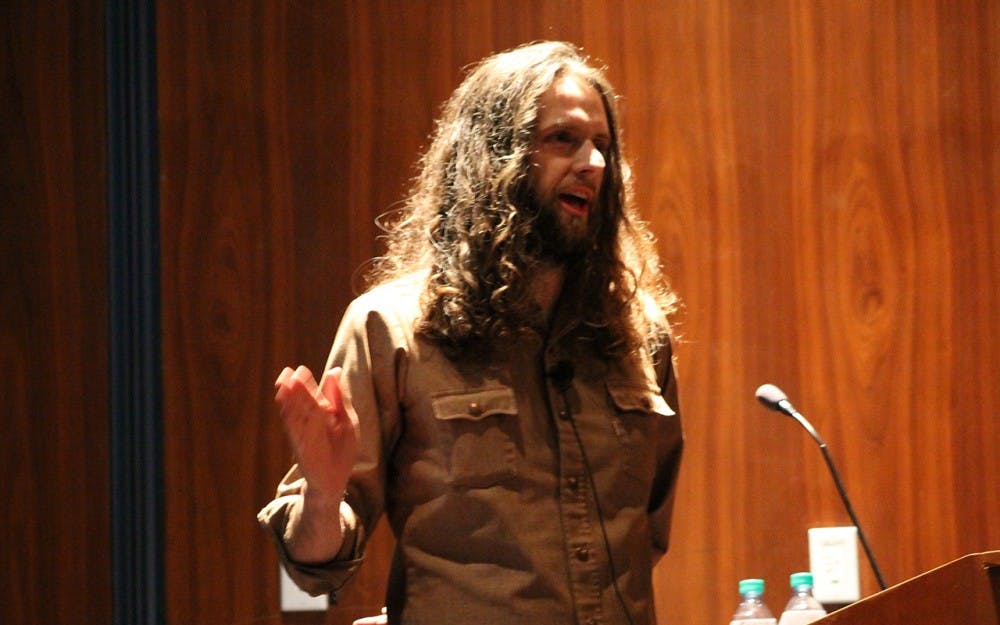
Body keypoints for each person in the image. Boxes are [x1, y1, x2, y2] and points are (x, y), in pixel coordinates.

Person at [258, 40, 684, 625]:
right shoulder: (393, 328)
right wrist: (326, 495)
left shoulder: (639, 338)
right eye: (564, 139)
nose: (595, 164)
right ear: (494, 156)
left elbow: (647, 536)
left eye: (604, 146)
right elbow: (311, 567)